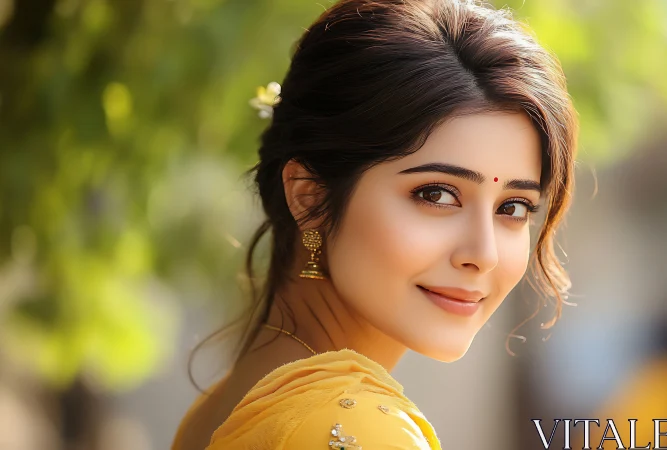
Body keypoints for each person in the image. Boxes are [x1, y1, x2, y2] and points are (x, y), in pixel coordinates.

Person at [171, 0, 577, 448]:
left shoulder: (223, 405)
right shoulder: (355, 430)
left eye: (513, 207)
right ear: (310, 197)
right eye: (437, 195)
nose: (483, 254)